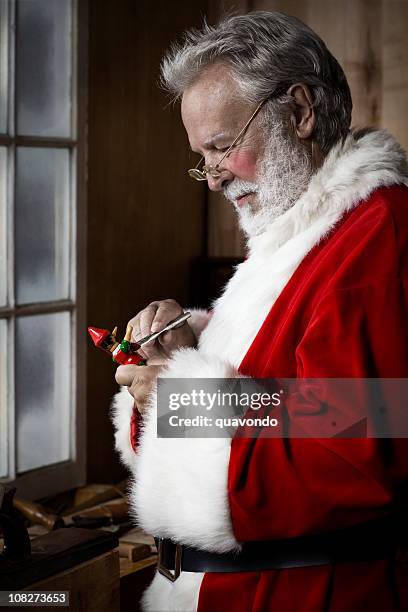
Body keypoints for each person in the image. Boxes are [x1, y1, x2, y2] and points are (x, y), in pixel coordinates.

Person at [112, 11, 408, 612]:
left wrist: (181, 396)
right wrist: (185, 345)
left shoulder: (380, 231)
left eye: (222, 147)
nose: (213, 178)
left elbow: (358, 434)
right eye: (203, 157)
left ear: (298, 110)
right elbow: (288, 395)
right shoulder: (299, 233)